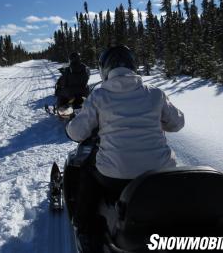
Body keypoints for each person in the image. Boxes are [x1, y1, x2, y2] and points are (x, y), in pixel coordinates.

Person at [66, 45, 184, 251]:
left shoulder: (99, 95)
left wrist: (74, 125)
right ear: (133, 66)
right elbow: (177, 123)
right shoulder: (155, 94)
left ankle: (83, 226)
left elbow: (77, 133)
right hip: (160, 175)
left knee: (87, 169)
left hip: (115, 179)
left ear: (105, 70)